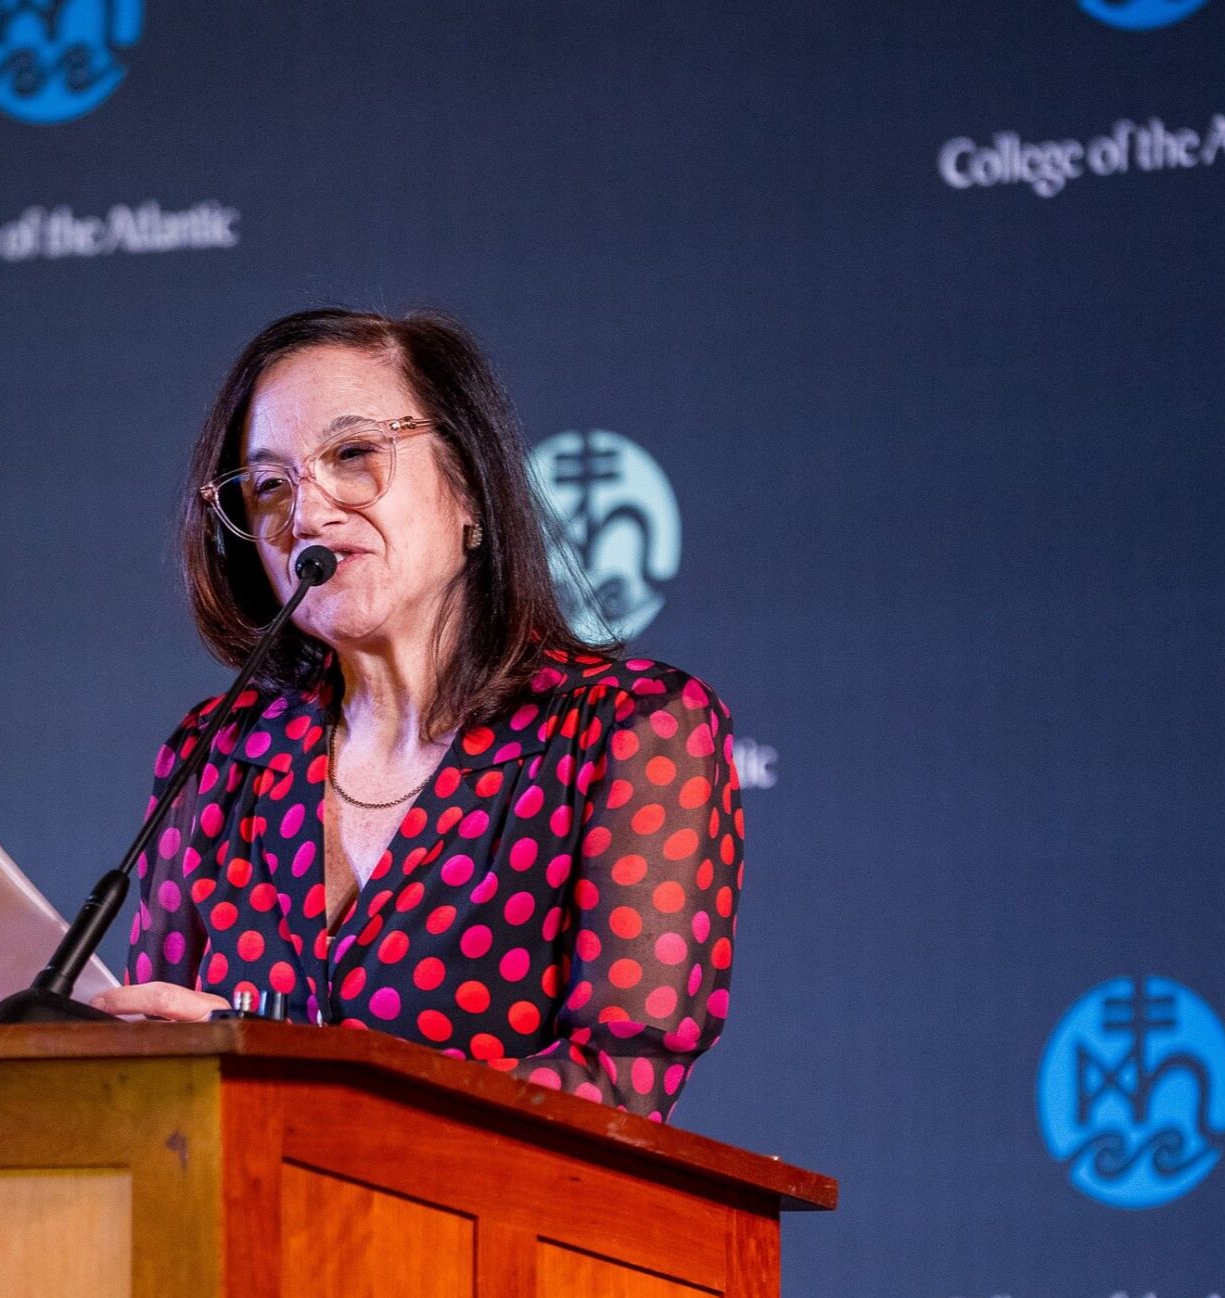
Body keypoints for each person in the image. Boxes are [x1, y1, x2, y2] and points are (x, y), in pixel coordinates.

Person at [90, 307, 742, 1118]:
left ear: (470, 487)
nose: (305, 515)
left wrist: (289, 1073)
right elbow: (152, 1072)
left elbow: (617, 1090)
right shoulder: (217, 756)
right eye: (269, 486)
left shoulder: (631, 732)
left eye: (353, 455)